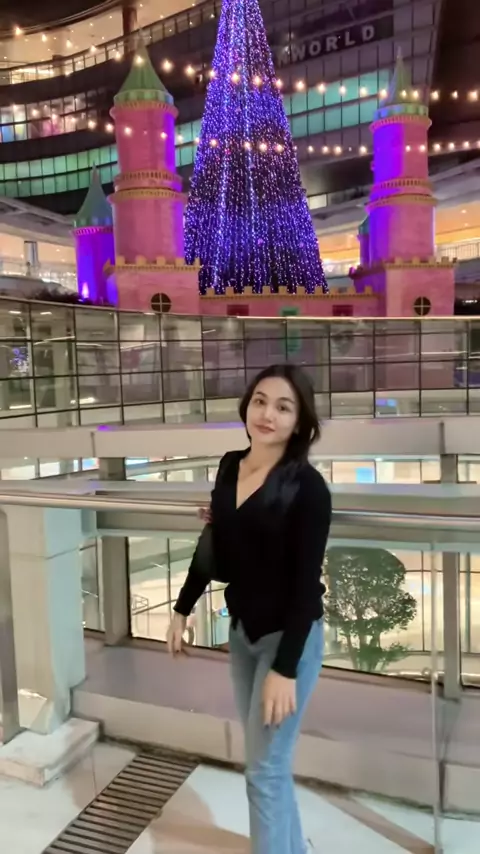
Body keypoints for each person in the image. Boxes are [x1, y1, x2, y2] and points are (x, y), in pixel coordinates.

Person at [166, 364, 332, 854]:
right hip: (242, 633)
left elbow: (306, 588)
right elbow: (214, 543)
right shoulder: (229, 466)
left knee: (263, 771)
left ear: (299, 422)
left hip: (289, 641)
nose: (267, 414)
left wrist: (285, 669)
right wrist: (182, 607)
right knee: (269, 766)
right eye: (260, 401)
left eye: (283, 407)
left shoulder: (309, 489)